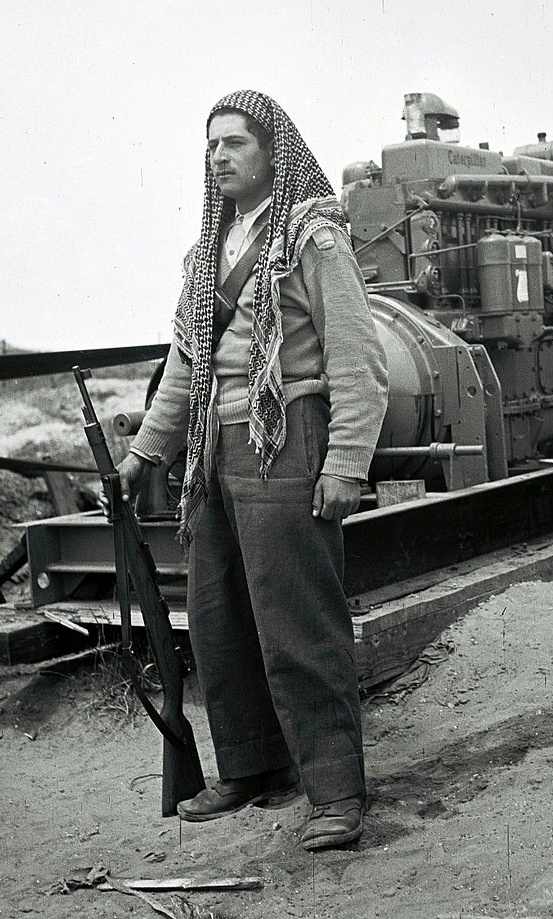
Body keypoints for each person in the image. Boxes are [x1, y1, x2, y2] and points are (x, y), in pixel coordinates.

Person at [107, 90, 388, 850]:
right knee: (218, 618)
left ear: (274, 154)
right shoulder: (207, 251)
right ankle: (253, 766)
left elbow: (357, 358)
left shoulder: (313, 237)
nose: (219, 157)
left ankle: (336, 791)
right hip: (213, 448)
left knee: (298, 622)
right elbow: (184, 365)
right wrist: (144, 453)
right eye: (212, 145)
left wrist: (345, 463)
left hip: (286, 436)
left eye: (235, 143)